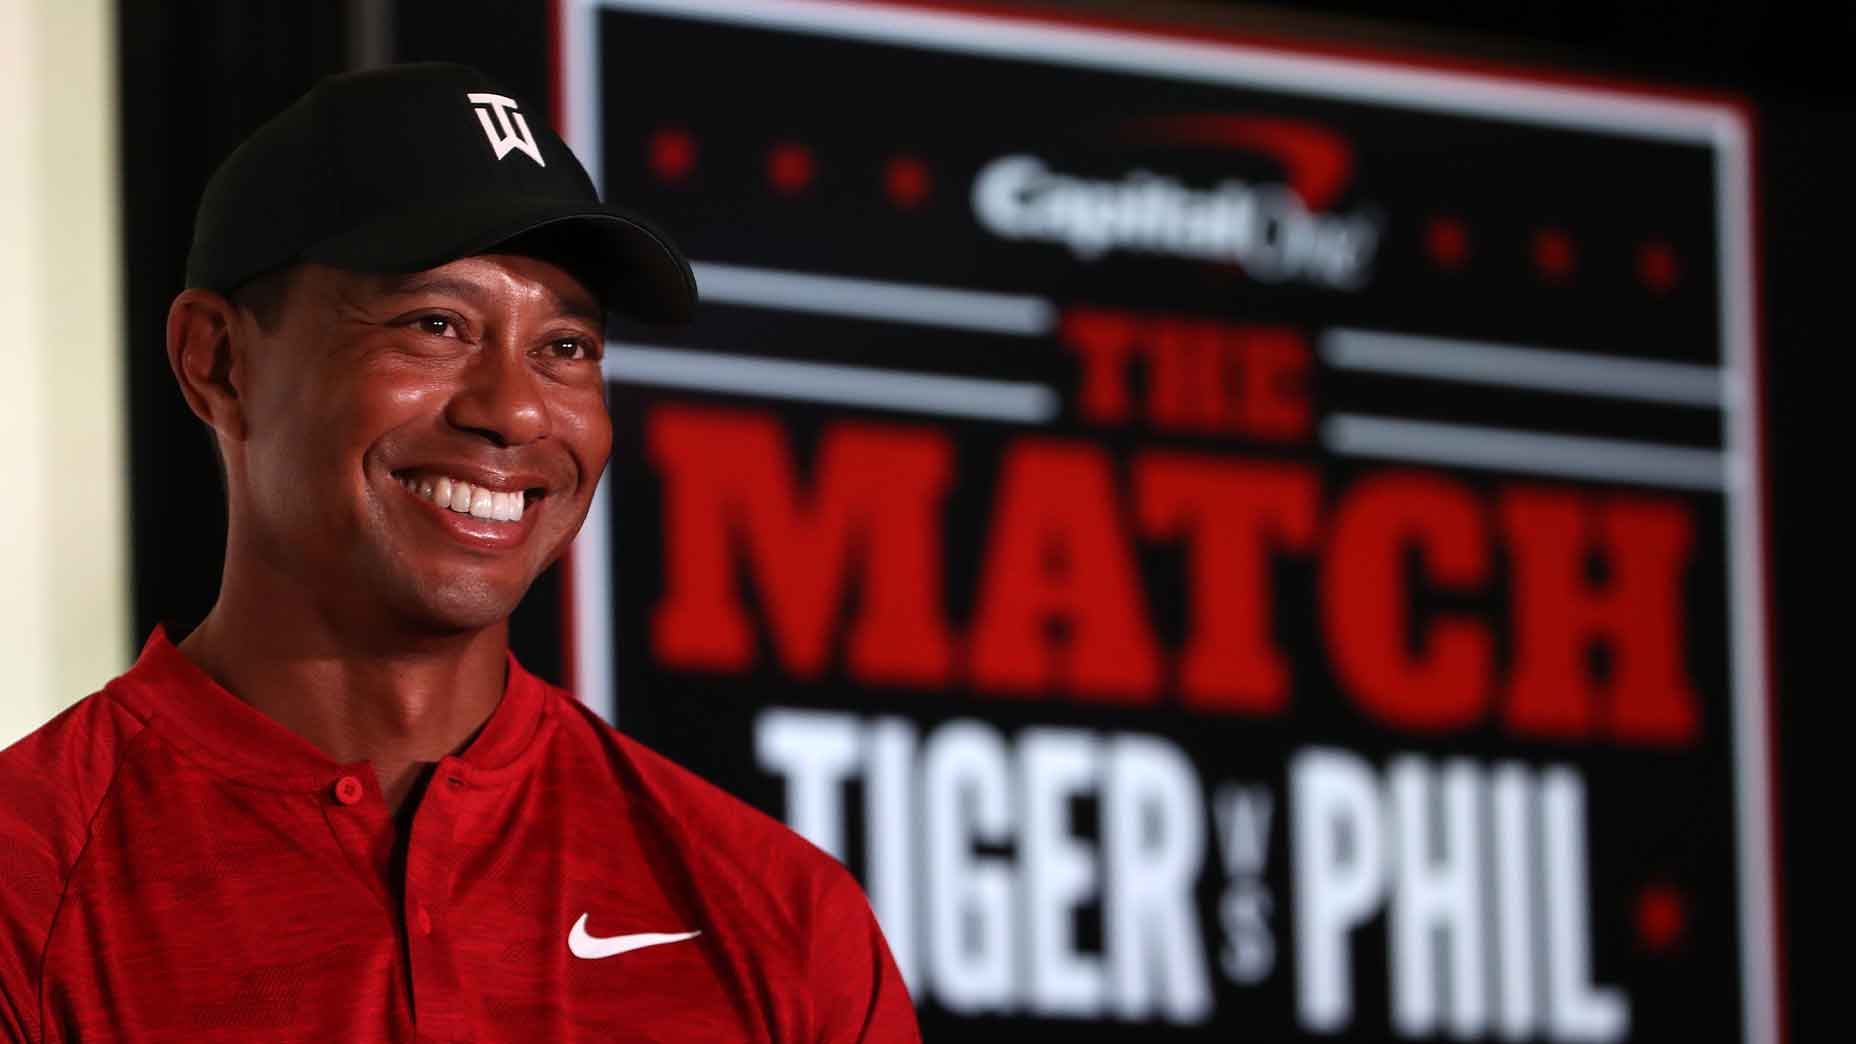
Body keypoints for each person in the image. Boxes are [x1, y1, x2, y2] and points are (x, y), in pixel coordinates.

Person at [0, 62, 918, 1043]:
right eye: (433, 325)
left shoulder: (778, 913)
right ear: (217, 362)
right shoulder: (28, 881)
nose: (514, 408)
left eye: (565, 347)